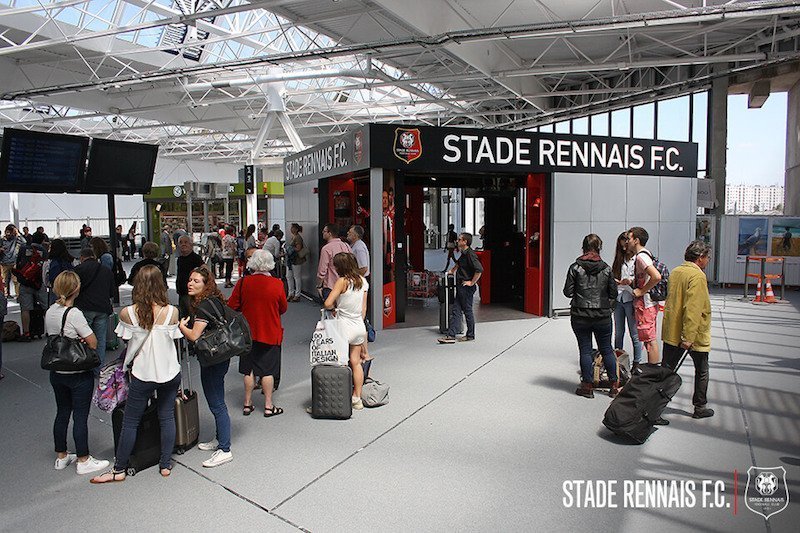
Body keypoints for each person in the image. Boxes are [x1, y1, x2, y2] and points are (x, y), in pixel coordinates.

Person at [90, 266, 182, 483]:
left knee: (131, 421)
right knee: (166, 416)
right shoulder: (172, 312)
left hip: (142, 373)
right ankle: (165, 464)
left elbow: (126, 341)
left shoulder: (127, 313)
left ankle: (119, 469)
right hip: (169, 372)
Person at [46, 271, 110, 476]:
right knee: (80, 416)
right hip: (77, 371)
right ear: (76, 289)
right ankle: (83, 458)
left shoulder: (50, 311)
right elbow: (92, 342)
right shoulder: (74, 313)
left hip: (57, 370)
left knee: (62, 411)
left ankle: (61, 456)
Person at [179, 266, 234, 467]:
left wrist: (182, 326)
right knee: (217, 397)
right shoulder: (215, 300)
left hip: (212, 359)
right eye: (190, 280)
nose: (190, 283)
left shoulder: (203, 306)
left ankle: (225, 448)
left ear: (205, 284)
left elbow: (194, 336)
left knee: (216, 402)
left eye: (196, 281)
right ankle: (220, 439)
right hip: (221, 355)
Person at [227, 250, 287, 418]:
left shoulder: (243, 282)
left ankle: (247, 404)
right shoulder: (277, 284)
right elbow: (283, 308)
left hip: (248, 332)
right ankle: (268, 406)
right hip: (270, 331)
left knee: (248, 370)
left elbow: (232, 305)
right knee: (267, 371)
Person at [661, 240, 715, 420]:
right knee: (702, 370)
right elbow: (693, 309)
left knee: (667, 370)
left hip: (672, 332)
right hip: (692, 335)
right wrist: (689, 336)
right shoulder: (697, 276)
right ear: (700, 258)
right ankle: (700, 407)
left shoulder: (676, 272)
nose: (707, 261)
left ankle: (655, 406)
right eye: (707, 258)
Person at [563, 234, 619, 399]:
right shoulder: (607, 268)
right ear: (599, 248)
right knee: (607, 349)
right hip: (602, 315)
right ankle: (614, 386)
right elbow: (613, 293)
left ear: (583, 247)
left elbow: (567, 292)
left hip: (580, 315)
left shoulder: (575, 267)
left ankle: (587, 386)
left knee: (585, 350)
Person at [323, 252, 369, 410]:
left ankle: (339, 398)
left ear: (340, 267)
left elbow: (327, 302)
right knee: (355, 362)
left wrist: (335, 308)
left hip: (342, 327)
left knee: (340, 363)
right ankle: (357, 398)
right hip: (358, 327)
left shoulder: (342, 281)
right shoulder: (363, 281)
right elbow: (364, 308)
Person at [438, 232, 483, 344]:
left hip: (466, 287)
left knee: (467, 310)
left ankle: (470, 335)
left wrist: (471, 283)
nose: (457, 241)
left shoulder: (470, 254)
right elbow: (459, 263)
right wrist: (452, 270)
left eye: (459, 239)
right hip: (461, 286)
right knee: (456, 310)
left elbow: (479, 270)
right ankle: (451, 336)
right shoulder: (464, 253)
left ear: (465, 242)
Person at [74, 248, 114, 368]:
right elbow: (112, 292)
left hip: (85, 307)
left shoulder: (78, 270)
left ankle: (87, 365)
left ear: (82, 257)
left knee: (85, 338)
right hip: (102, 308)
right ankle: (98, 367)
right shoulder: (106, 270)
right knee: (100, 340)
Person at [627, 227, 662, 364]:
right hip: (646, 304)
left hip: (646, 304)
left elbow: (656, 276)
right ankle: (652, 372)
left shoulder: (641, 257)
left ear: (636, 240)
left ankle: (652, 374)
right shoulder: (645, 255)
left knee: (650, 341)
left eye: (629, 238)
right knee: (649, 340)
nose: (627, 242)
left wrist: (642, 291)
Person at [611, 232, 643, 374]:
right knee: (619, 332)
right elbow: (614, 275)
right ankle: (618, 360)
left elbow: (642, 278)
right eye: (621, 245)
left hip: (631, 297)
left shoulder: (638, 259)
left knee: (634, 333)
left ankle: (637, 363)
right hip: (619, 297)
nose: (624, 246)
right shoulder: (619, 259)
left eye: (625, 243)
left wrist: (630, 281)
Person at [16, 244, 47, 342]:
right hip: (39, 283)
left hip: (26, 283)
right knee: (45, 307)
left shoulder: (23, 248)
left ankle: (27, 333)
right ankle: (51, 331)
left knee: (25, 309)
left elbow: (18, 264)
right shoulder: (42, 249)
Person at [317, 223, 352, 301]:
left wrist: (319, 286)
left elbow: (322, 271)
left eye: (324, 231)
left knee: (330, 311)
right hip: (346, 285)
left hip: (331, 286)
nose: (322, 233)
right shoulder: (346, 245)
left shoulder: (326, 249)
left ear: (329, 233)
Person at [176, 235, 204, 318]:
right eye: (180, 243)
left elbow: (204, 271)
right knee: (183, 316)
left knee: (192, 316)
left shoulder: (196, 258)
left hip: (192, 294)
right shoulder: (180, 259)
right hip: (181, 292)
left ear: (191, 245)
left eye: (186, 242)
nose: (183, 244)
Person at [44, 239, 76, 305]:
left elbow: (45, 279)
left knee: (55, 310)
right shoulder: (71, 260)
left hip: (55, 289)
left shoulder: (48, 262)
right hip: (70, 289)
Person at [1, 224, 26, 298]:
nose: (8, 234)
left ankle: (18, 295)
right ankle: (6, 294)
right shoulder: (2, 240)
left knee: (16, 280)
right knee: (5, 280)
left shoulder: (15, 239)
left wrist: (18, 233)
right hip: (4, 263)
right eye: (7, 232)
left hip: (14, 263)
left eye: (10, 232)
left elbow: (24, 242)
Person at [286, 224, 306, 301]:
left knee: (296, 277)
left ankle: (297, 294)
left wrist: (289, 249)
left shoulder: (297, 237)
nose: (291, 229)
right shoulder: (294, 237)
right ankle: (291, 293)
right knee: (290, 276)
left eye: (292, 228)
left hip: (296, 259)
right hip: (291, 260)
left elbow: (298, 248)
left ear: (296, 229)